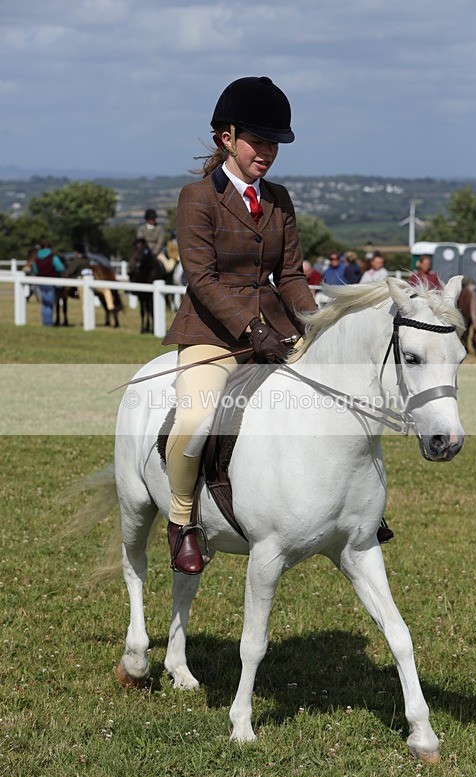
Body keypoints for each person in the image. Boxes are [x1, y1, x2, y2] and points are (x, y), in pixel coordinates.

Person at [161, 76, 317, 575]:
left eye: (274, 143)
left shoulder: (280, 199)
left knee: (332, 392)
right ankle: (182, 519)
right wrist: (251, 329)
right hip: (211, 332)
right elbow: (202, 280)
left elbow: (289, 274)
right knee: (196, 419)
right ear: (225, 138)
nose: (267, 152)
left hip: (272, 327)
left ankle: (352, 506)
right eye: (258, 141)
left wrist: (316, 323)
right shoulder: (197, 198)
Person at [32, 240, 65, 326]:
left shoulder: (37, 257)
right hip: (50, 281)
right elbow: (60, 267)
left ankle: (45, 322)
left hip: (41, 281)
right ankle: (48, 323)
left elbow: (35, 270)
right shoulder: (52, 257)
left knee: (45, 303)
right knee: (50, 303)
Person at [136, 209, 174, 273]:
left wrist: (154, 252)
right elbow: (139, 240)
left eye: (153, 219)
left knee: (168, 268)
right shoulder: (141, 229)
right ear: (147, 219)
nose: (152, 220)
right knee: (134, 263)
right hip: (143, 251)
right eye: (151, 219)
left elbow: (160, 242)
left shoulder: (159, 228)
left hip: (156, 252)